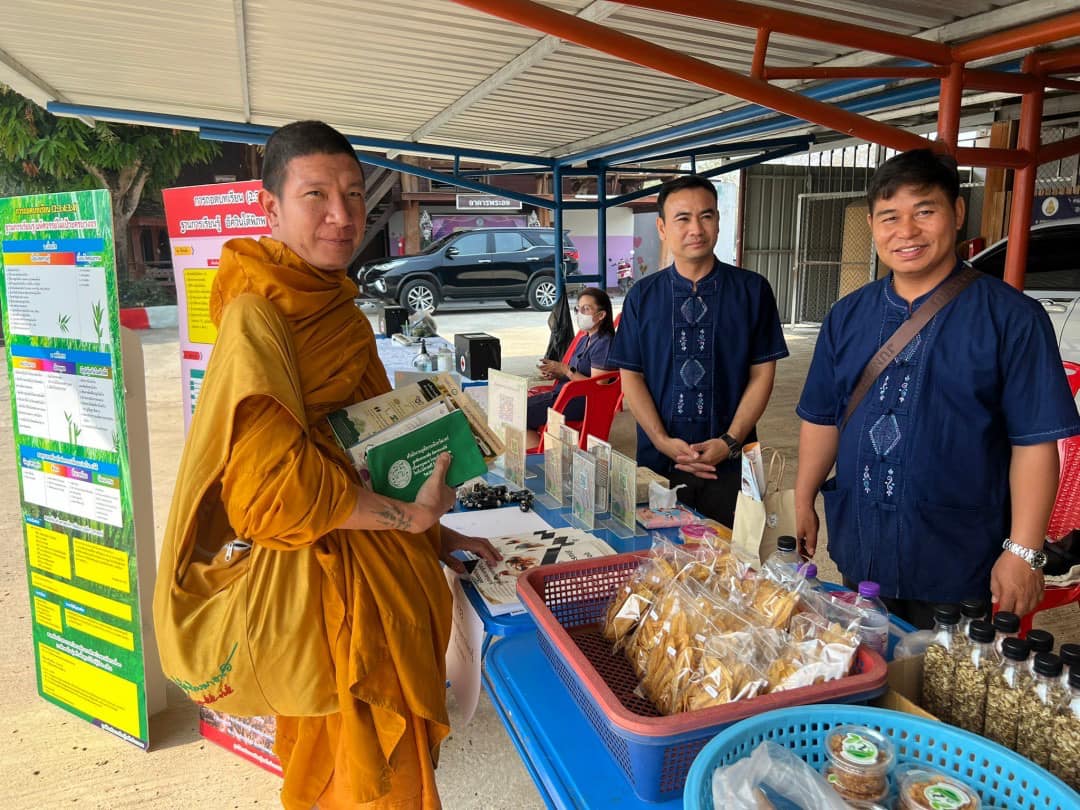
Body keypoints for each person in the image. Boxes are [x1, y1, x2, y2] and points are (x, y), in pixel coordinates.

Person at [154, 120, 498, 809]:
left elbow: (365, 454)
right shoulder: (257, 316)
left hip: (382, 583)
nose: (342, 216)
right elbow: (272, 496)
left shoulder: (338, 308)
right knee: (360, 783)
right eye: (316, 195)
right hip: (330, 608)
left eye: (353, 194)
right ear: (270, 207)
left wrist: (439, 533)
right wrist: (410, 519)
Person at [795, 148, 1080, 628]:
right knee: (867, 662)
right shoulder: (847, 315)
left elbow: (1034, 442)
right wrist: (803, 498)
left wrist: (1024, 550)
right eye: (890, 217)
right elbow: (823, 417)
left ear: (958, 212)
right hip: (862, 545)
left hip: (959, 557)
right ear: (873, 224)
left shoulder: (1012, 318)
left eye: (924, 211)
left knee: (947, 673)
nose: (906, 231)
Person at [608, 175, 789, 525]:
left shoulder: (752, 291)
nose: (696, 229)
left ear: (718, 221)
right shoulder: (642, 297)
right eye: (683, 218)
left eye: (706, 216)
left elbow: (762, 374)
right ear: (662, 228)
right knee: (657, 554)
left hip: (732, 463)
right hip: (660, 463)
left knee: (733, 553)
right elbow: (631, 376)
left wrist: (729, 441)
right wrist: (661, 441)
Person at [526, 286, 615, 448]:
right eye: (578, 309)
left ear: (601, 315)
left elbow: (597, 387)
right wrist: (557, 373)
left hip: (579, 402)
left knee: (520, 414)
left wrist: (566, 369)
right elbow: (574, 373)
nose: (580, 313)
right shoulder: (585, 338)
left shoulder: (604, 343)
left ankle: (542, 457)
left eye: (586, 309)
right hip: (564, 395)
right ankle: (539, 451)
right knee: (517, 408)